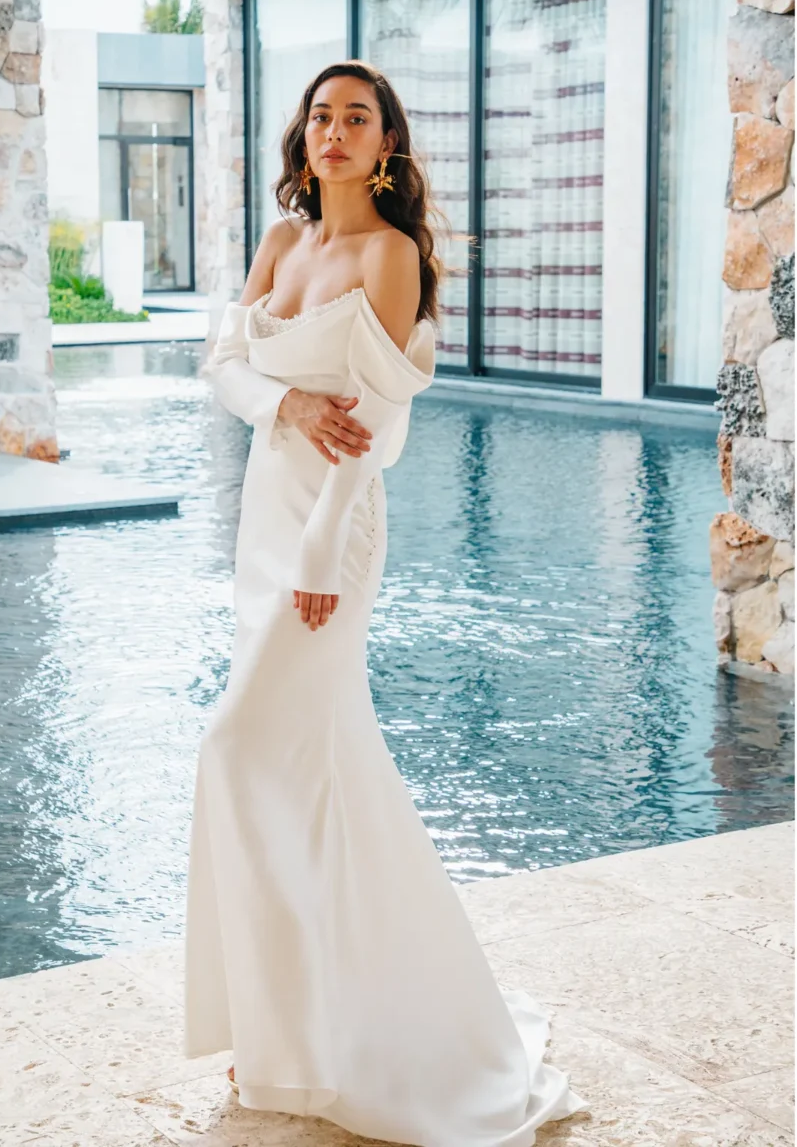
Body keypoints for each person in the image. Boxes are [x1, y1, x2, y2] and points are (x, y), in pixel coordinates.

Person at [184, 60, 588, 1146]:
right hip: (264, 526)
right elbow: (220, 363)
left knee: (238, 749)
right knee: (301, 766)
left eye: (355, 117)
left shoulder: (389, 255)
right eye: (319, 115)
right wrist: (282, 402)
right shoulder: (281, 243)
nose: (332, 130)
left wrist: (320, 552)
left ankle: (336, 1028)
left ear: (387, 146)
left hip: (327, 534)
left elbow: (369, 430)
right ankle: (286, 1032)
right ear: (303, 138)